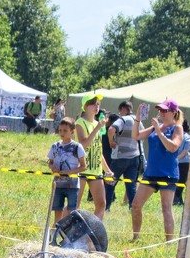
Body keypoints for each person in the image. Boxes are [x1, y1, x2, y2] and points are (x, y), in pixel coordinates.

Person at [130, 99, 184, 241]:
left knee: (166, 208)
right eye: (160, 110)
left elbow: (172, 147)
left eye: (164, 110)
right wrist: (137, 118)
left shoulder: (177, 128)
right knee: (135, 205)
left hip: (168, 174)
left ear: (173, 113)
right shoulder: (155, 127)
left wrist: (159, 131)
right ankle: (135, 237)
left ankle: (169, 242)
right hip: (151, 173)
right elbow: (136, 136)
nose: (161, 113)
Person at [74, 91, 111, 219]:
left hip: (96, 171)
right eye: (94, 104)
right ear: (85, 106)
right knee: (74, 206)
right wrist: (97, 128)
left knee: (101, 205)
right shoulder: (80, 122)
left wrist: (107, 170)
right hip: (82, 169)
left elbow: (98, 150)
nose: (97, 107)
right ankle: (62, 232)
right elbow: (83, 145)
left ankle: (91, 237)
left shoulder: (97, 124)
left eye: (98, 104)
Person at [47, 117, 86, 222]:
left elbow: (83, 166)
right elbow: (50, 162)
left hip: (72, 185)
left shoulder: (77, 147)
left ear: (72, 131)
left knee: (72, 211)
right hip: (58, 184)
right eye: (60, 130)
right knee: (57, 210)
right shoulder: (55, 146)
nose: (62, 133)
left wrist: (69, 172)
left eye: (65, 130)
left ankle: (70, 232)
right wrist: (52, 167)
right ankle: (55, 230)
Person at [106, 100, 141, 210]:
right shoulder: (138, 121)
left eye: (120, 111)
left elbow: (111, 129)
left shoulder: (123, 119)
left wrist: (111, 141)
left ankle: (106, 207)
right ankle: (133, 208)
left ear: (123, 109)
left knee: (110, 183)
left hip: (120, 157)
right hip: (135, 157)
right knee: (131, 186)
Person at [173, 120, 190, 206]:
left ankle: (176, 200)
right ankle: (178, 201)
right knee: (176, 182)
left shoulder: (187, 137)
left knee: (180, 183)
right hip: (176, 162)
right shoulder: (175, 136)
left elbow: (185, 152)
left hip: (184, 164)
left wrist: (175, 160)